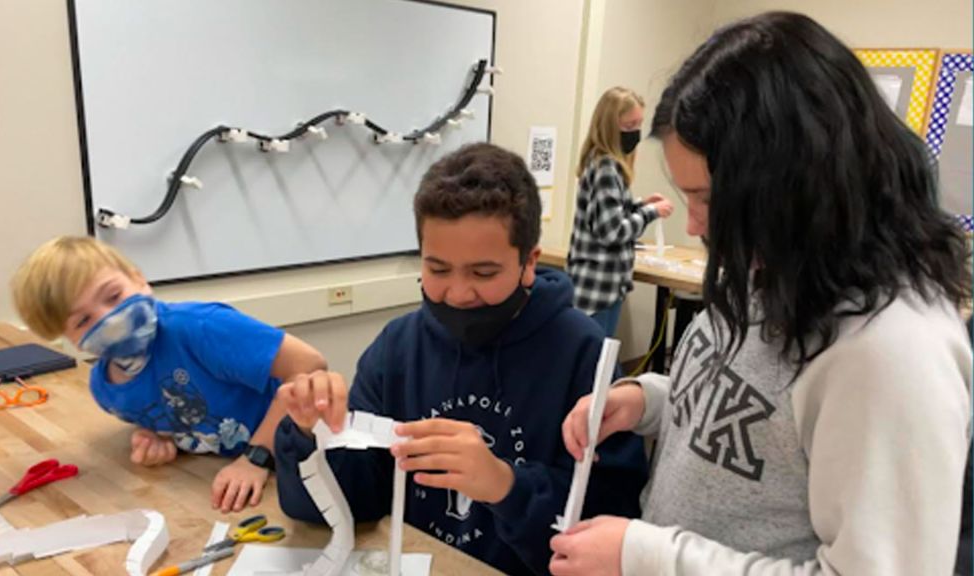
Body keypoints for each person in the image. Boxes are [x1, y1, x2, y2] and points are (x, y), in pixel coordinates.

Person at [549, 11, 972, 576]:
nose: (694, 225)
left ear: (794, 183)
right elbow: (761, 423)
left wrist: (647, 556)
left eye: (708, 199)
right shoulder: (772, 261)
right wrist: (649, 402)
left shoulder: (893, 349)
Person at [274, 143, 649, 576]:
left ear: (529, 262)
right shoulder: (398, 347)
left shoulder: (582, 352)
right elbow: (354, 499)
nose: (457, 293)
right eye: (437, 270)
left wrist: (506, 486)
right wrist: (311, 435)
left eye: (483, 273)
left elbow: (614, 523)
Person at [11, 236, 327, 514]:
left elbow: (309, 366)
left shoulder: (200, 327)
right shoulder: (108, 392)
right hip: (236, 484)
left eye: (114, 296)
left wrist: (256, 457)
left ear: (138, 279)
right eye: (83, 320)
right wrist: (158, 437)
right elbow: (173, 405)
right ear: (68, 338)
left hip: (312, 456)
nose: (110, 319)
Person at [566, 86, 675, 336]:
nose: (635, 133)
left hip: (603, 286)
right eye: (629, 126)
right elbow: (612, 232)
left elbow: (609, 213)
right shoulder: (606, 167)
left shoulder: (602, 162)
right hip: (597, 290)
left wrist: (641, 205)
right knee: (598, 356)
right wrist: (651, 212)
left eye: (639, 125)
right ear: (609, 127)